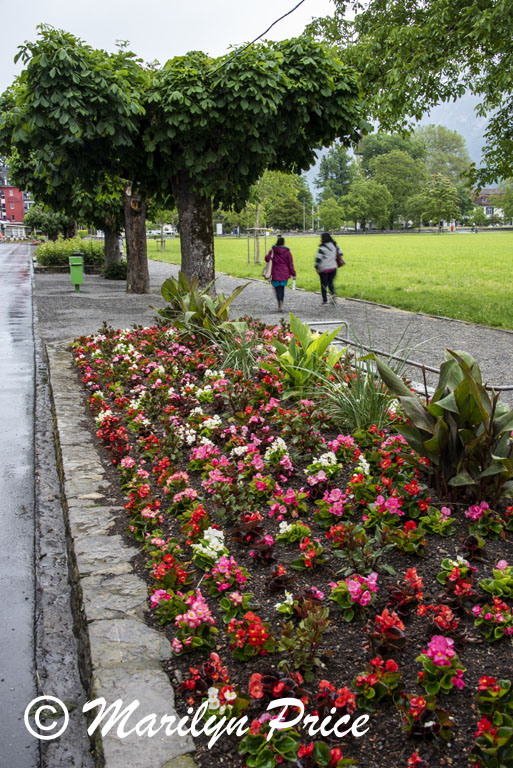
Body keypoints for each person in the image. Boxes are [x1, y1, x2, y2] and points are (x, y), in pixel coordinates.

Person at [264, 236, 296, 312]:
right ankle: (281, 301)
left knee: (277, 289)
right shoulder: (288, 252)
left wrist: (270, 253)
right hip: (284, 273)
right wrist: (293, 273)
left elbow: (266, 259)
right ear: (284, 243)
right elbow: (290, 264)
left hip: (275, 272)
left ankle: (279, 302)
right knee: (282, 289)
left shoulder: (273, 251)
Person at [314, 232, 342, 306]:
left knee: (323, 285)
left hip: (324, 269)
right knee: (331, 283)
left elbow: (318, 259)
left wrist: (316, 266)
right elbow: (341, 253)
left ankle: (325, 300)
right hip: (333, 267)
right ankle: (333, 296)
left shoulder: (322, 248)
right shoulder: (335, 245)